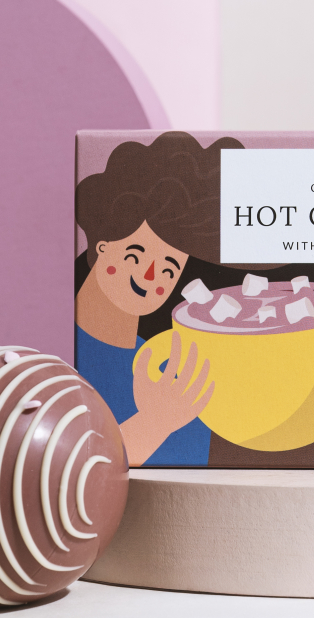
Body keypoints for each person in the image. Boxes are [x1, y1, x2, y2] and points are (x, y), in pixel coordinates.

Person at [74, 132, 241, 466]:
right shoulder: (66, 357)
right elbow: (82, 464)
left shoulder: (165, 365)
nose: (150, 277)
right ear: (102, 246)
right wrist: (154, 422)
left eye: (168, 268)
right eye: (135, 255)